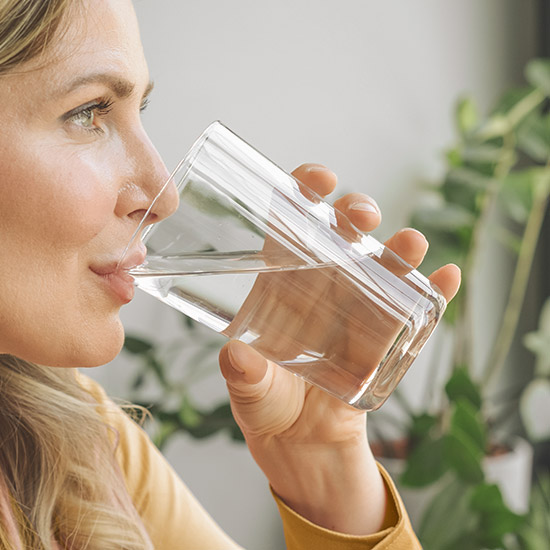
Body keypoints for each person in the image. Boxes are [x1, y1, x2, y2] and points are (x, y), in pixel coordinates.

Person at [0, 1, 461, 548]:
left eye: (138, 110)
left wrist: (323, 465)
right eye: (89, 113)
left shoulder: (73, 447)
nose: (163, 195)